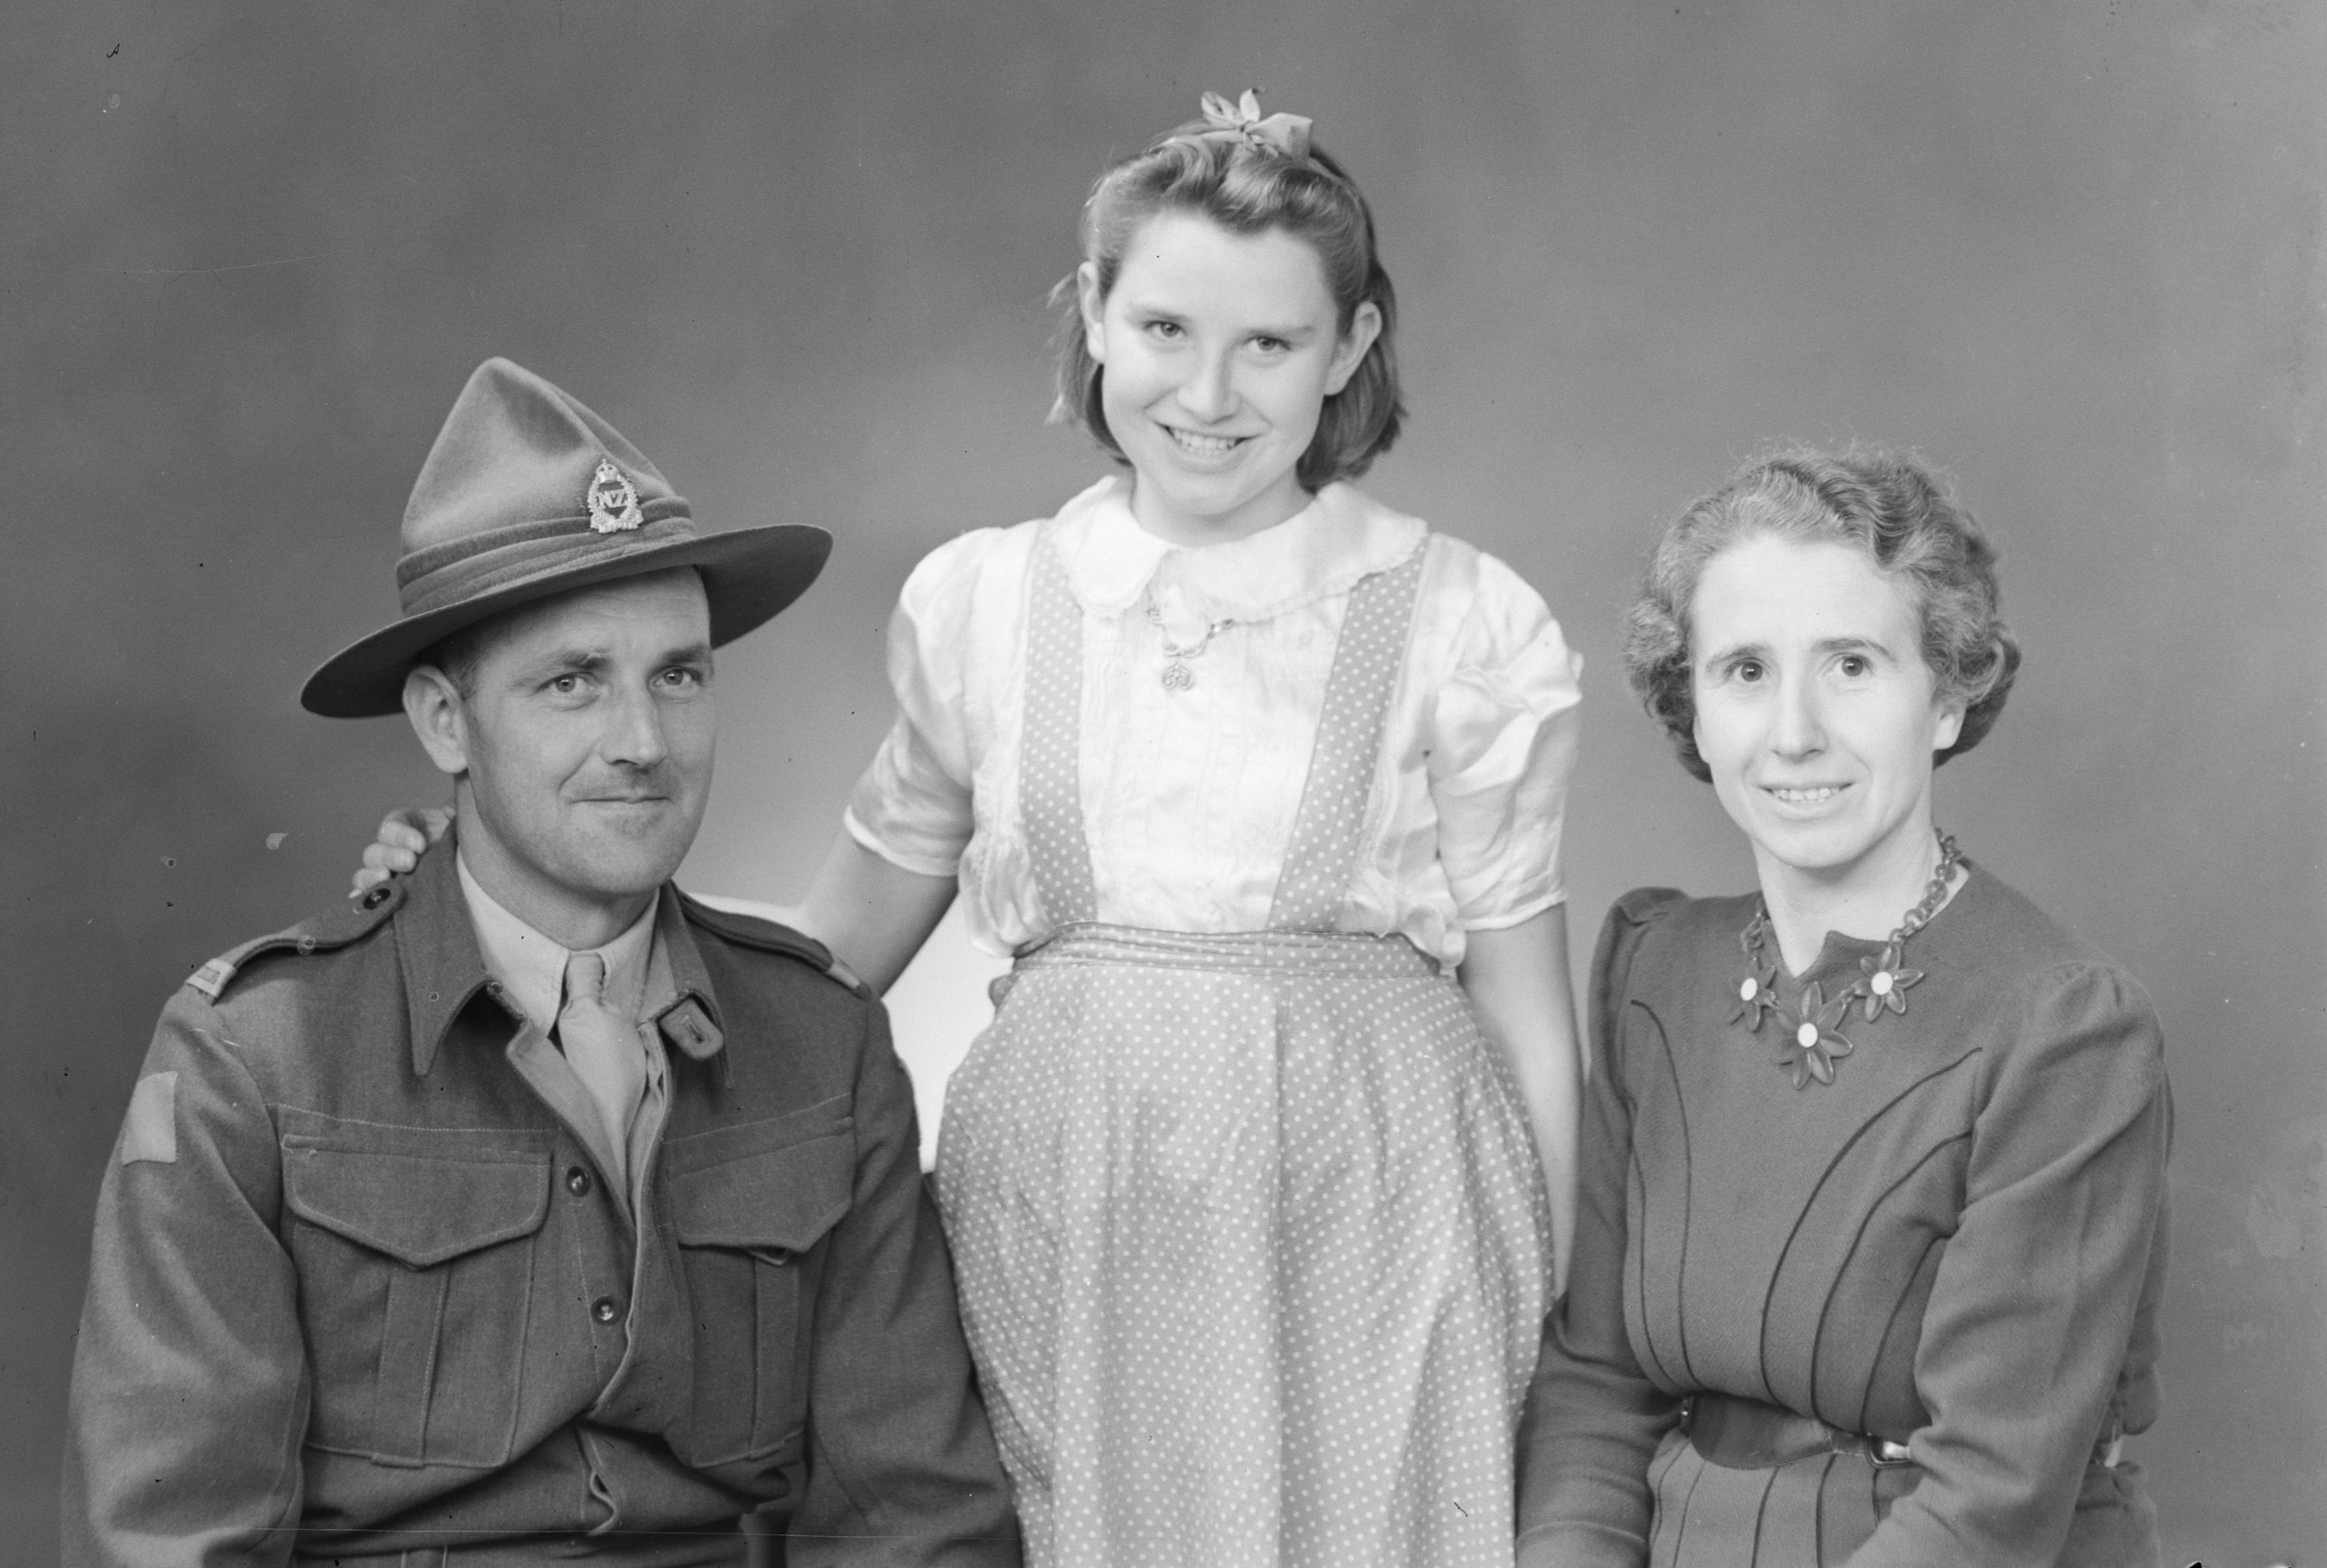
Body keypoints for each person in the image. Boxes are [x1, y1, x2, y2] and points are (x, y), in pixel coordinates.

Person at [364, 93, 1584, 1568]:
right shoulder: (992, 602)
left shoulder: (1456, 615)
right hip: (1067, 1219)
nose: (1209, 390)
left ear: (1349, 347)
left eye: (1269, 342)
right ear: (1092, 316)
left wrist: (1556, 1318)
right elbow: (815, 968)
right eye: (1164, 330)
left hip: (1378, 1217)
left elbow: (1523, 1004)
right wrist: (493, 914)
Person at [64, 359, 1019, 1567]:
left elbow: (912, 1518)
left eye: (678, 675)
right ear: (443, 723)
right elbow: (168, 1534)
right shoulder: (254, 1056)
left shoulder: (819, 1042)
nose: (641, 742)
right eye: (571, 683)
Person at [1515, 449, 2170, 1566]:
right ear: (1692, 706)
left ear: (1950, 693)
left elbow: (1992, 1492)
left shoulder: (2063, 1026)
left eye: (1852, 665)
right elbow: (1594, 1388)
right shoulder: (1651, 968)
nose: (1794, 732)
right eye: (1744, 671)